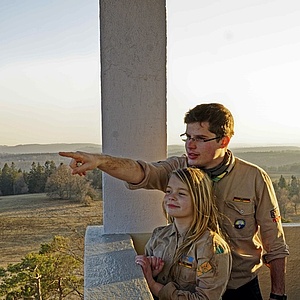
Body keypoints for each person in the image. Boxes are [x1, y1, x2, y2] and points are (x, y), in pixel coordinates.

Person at [59, 103, 289, 300]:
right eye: (187, 137)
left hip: (239, 288)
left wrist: (278, 294)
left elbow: (274, 240)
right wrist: (101, 161)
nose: (190, 145)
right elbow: (143, 172)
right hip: (187, 290)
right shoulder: (179, 170)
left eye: (200, 138)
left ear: (224, 141)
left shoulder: (254, 178)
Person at [135, 167, 232, 299]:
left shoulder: (210, 246)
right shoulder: (159, 235)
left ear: (198, 199)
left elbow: (205, 298)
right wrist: (151, 271)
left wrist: (153, 285)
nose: (171, 197)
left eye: (181, 193)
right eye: (168, 191)